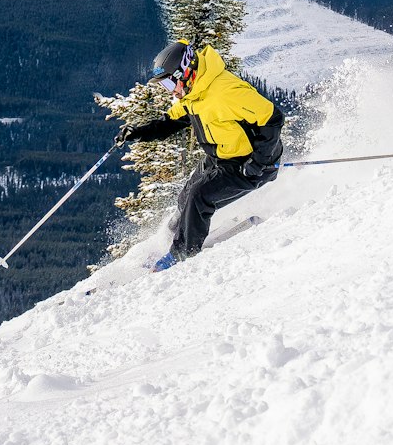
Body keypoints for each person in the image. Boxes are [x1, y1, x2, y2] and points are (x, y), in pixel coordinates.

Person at [121, 39, 284, 271]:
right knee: (186, 195)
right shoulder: (193, 94)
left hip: (249, 163)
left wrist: (259, 162)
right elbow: (173, 120)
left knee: (199, 196)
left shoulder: (225, 91)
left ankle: (182, 255)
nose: (171, 91)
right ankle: (171, 238)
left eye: (169, 84)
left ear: (186, 72)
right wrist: (138, 133)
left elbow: (272, 118)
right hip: (221, 156)